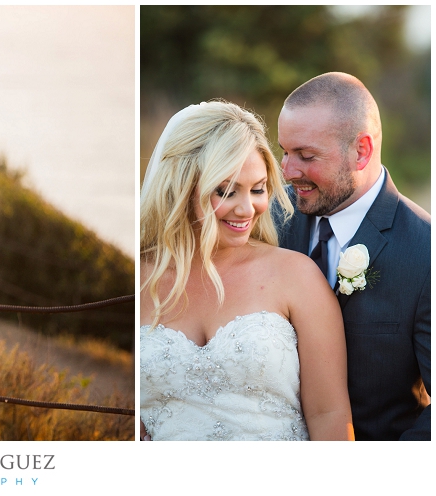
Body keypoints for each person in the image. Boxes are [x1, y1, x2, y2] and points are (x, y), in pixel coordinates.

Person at [139, 100, 354, 440]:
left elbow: (330, 415)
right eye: (226, 191)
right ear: (182, 186)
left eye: (257, 189)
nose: (246, 209)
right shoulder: (138, 280)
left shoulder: (297, 276)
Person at [277, 72, 431, 441]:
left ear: (361, 151)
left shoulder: (426, 253)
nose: (287, 171)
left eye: (306, 155)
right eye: (284, 151)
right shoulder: (267, 217)